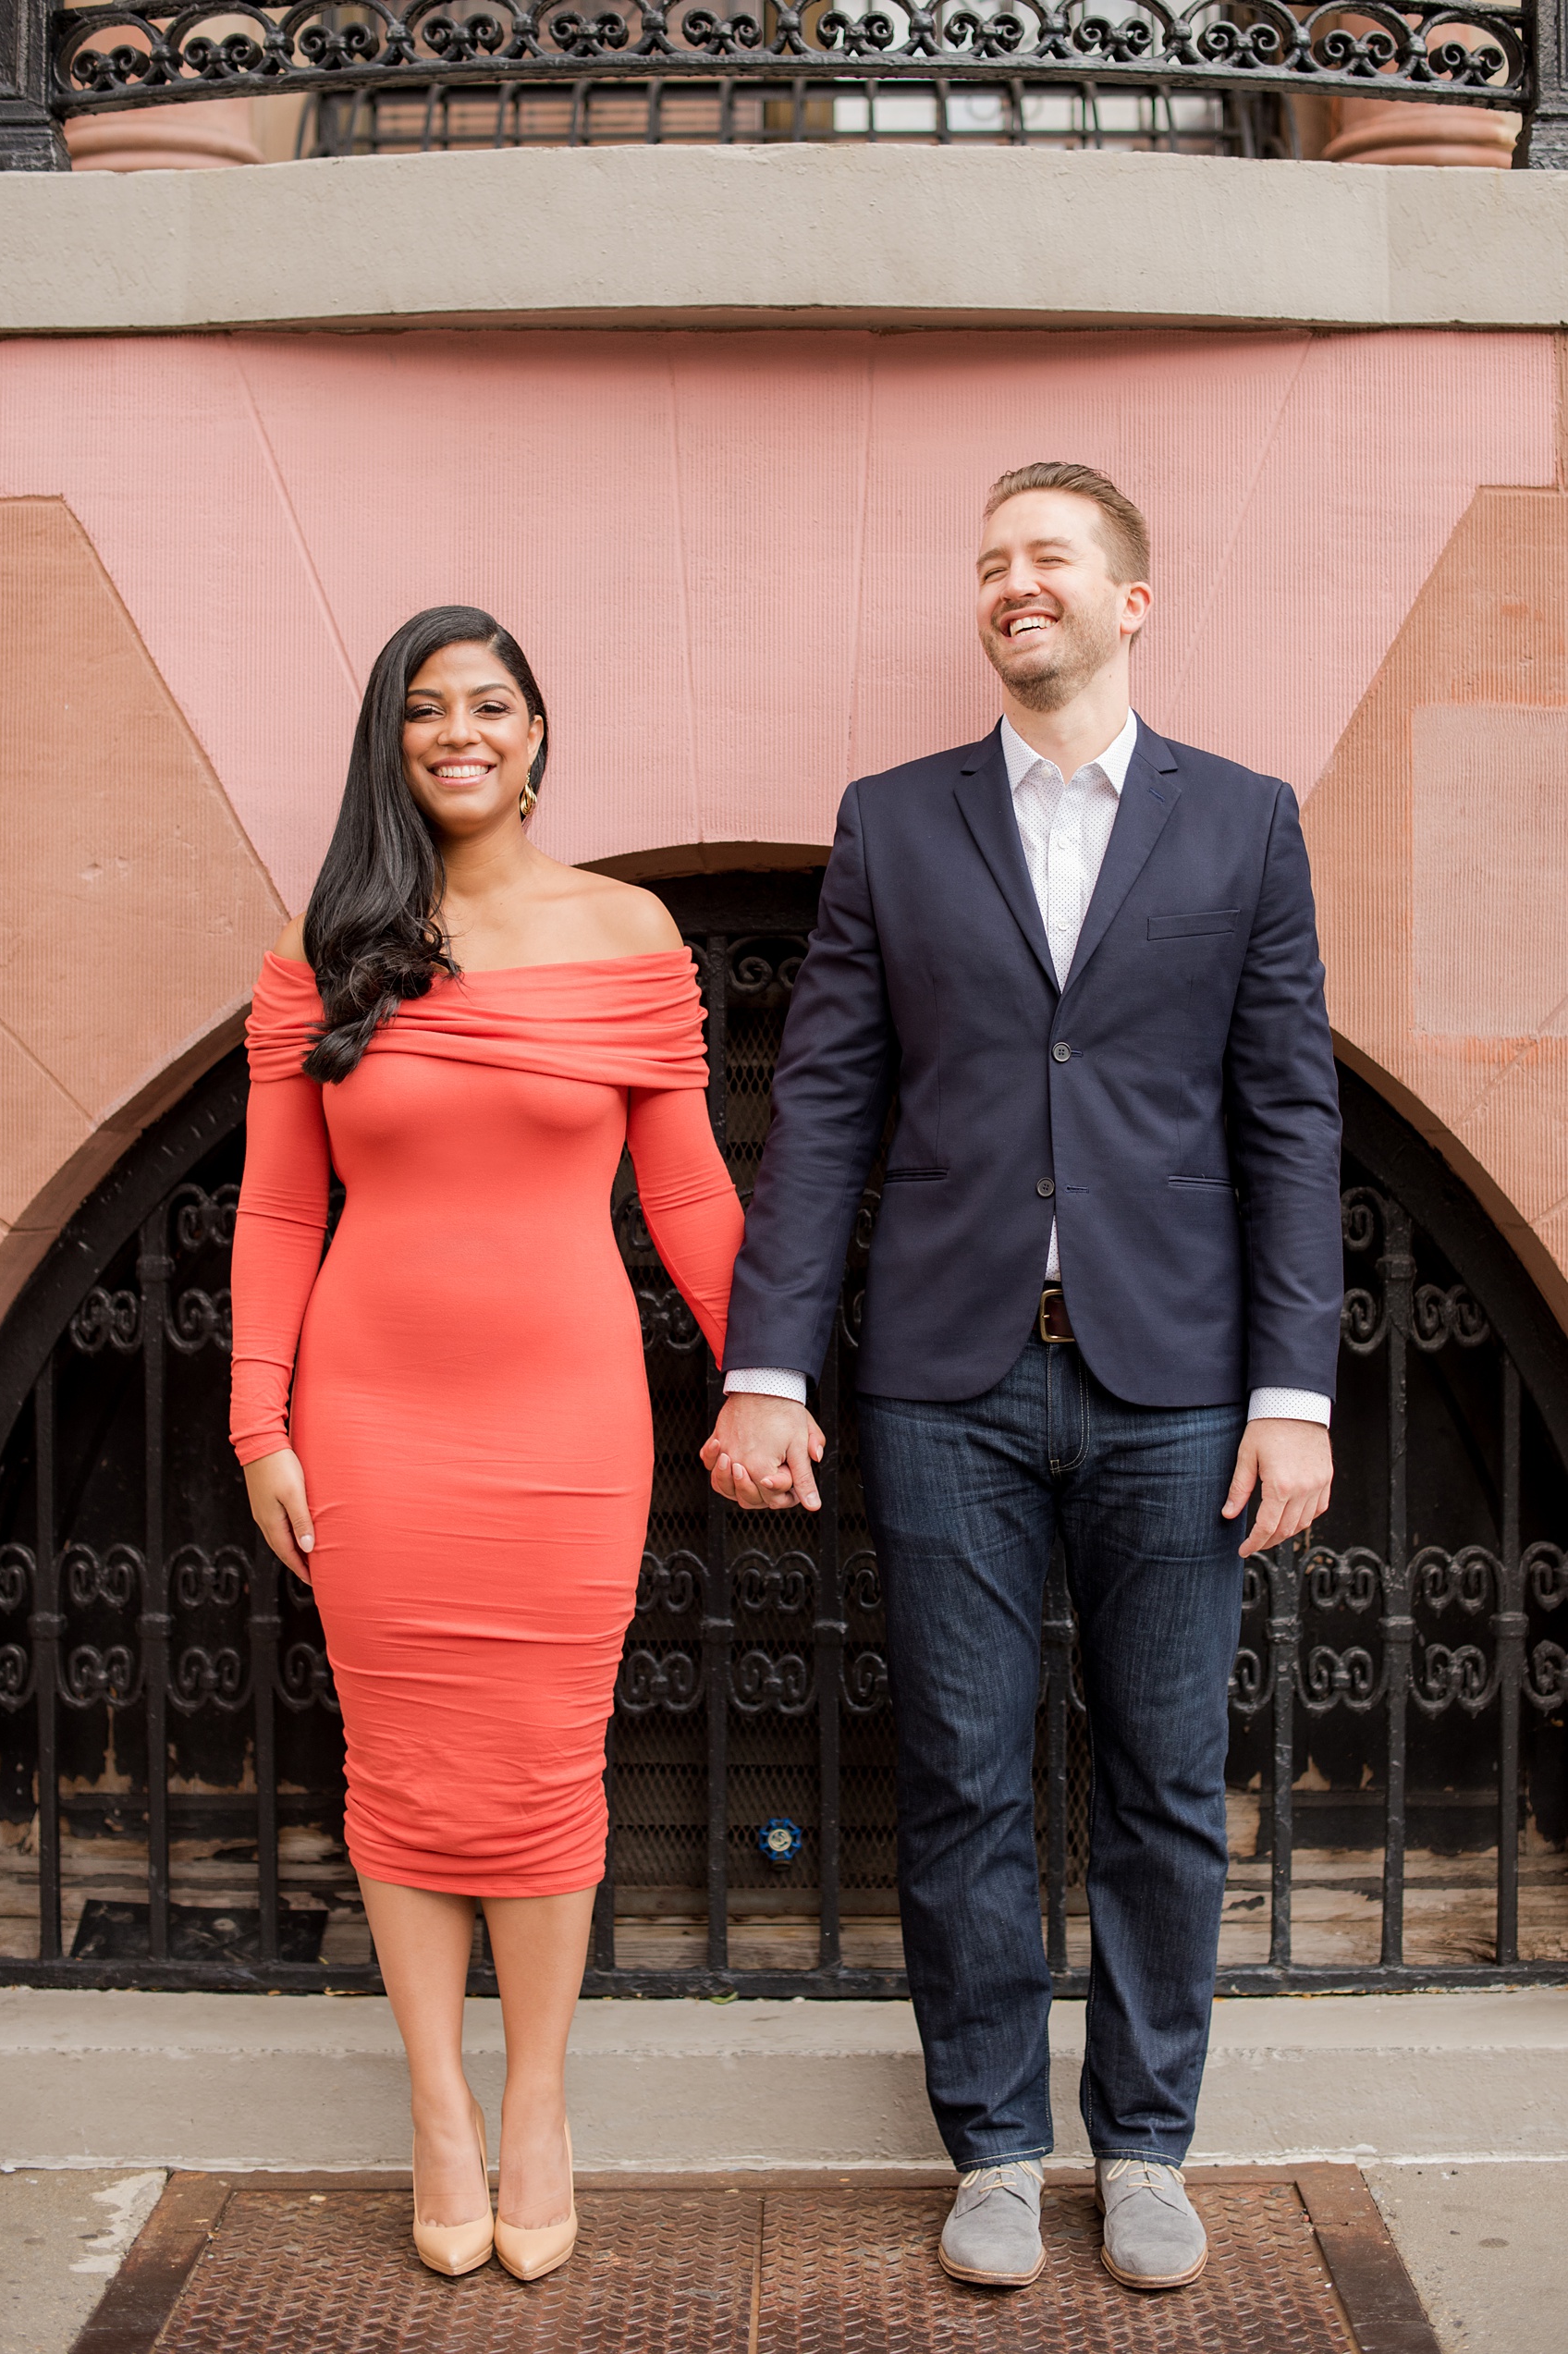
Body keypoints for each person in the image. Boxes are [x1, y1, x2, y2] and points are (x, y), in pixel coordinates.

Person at [702, 463, 1341, 2292]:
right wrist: (767, 1361)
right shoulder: (895, 827)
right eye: (989, 563)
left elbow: (1288, 1116)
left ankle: (1144, 2139)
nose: (1012, 584)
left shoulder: (1242, 823)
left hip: (1177, 1388)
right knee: (966, 1773)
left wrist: (1288, 1389)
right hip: (942, 1387)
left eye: (1047, 557)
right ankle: (992, 2138)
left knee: (1158, 1774)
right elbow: (820, 1103)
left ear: (1130, 600)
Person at [231, 607, 743, 2283]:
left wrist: (768, 1373)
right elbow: (281, 1206)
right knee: (402, 1765)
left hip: (568, 1422)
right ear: (393, 743)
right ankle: (438, 2105)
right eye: (426, 710)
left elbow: (684, 1191)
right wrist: (259, 1423)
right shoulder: (327, 951)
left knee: (542, 1766)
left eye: (492, 705)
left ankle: (538, 2103)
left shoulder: (627, 928)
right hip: (371, 1422)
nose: (461, 731)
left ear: (538, 731)